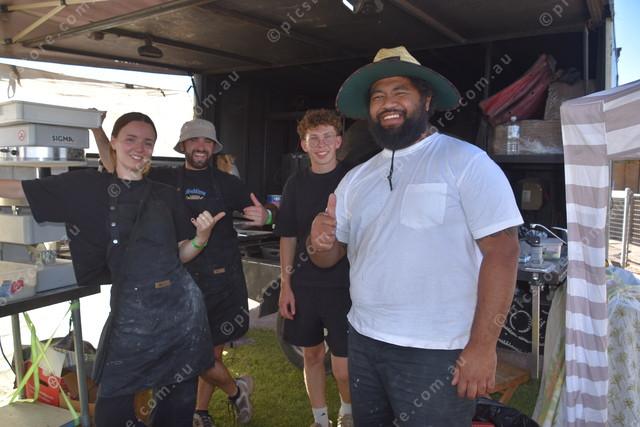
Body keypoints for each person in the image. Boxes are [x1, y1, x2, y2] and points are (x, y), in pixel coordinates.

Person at [307, 46, 523, 426]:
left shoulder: (466, 162)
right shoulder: (356, 178)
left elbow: (503, 254)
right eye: (377, 96)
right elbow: (329, 257)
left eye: (399, 91)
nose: (387, 103)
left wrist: (483, 346)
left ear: (426, 100)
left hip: (438, 351)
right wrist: (317, 242)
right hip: (364, 340)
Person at [0, 112, 224, 427]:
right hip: (131, 311)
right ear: (114, 143)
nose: (140, 148)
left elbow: (181, 255)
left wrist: (201, 238)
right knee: (112, 409)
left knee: (176, 406)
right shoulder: (85, 187)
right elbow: (18, 189)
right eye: (131, 139)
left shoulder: (165, 195)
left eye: (148, 143)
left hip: (182, 312)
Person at [94, 118, 275, 426]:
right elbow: (115, 162)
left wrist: (267, 215)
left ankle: (201, 410)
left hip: (221, 280)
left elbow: (267, 210)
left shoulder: (227, 183)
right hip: (178, 279)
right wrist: (97, 131)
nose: (201, 147)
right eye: (194, 141)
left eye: (207, 142)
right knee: (189, 354)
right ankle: (235, 391)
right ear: (182, 146)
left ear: (214, 148)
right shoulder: (163, 176)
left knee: (207, 354)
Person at [275, 109, 354, 427]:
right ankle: (320, 420)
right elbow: (287, 236)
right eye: (314, 139)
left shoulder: (353, 178)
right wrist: (285, 285)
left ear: (338, 141)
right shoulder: (295, 183)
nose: (321, 145)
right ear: (304, 145)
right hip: (304, 285)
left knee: (344, 367)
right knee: (311, 355)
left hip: (344, 286)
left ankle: (347, 414)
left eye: (327, 137)